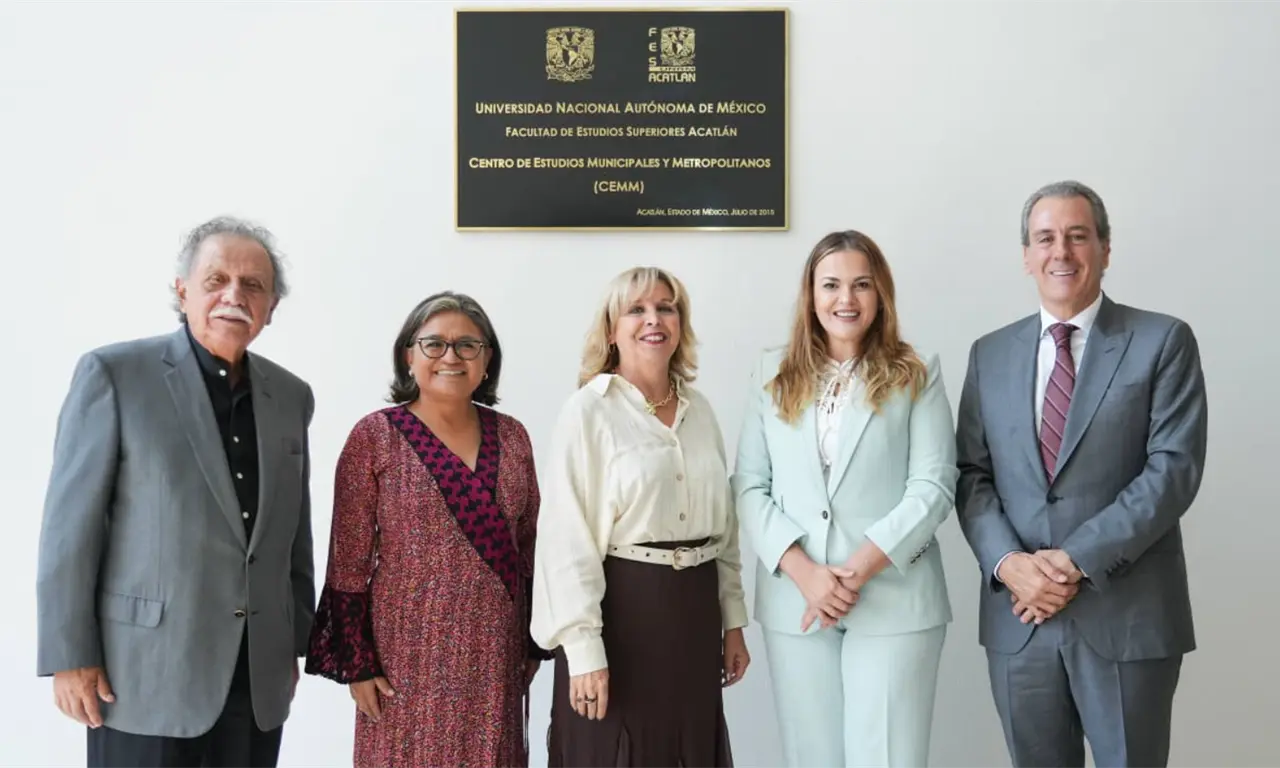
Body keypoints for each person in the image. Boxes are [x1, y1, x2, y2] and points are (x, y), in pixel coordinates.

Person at [35, 217, 316, 768]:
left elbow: (292, 532)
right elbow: (71, 530)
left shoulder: (291, 396)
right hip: (143, 674)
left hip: (254, 681)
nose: (235, 295)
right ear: (182, 289)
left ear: (272, 306)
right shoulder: (114, 375)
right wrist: (70, 655)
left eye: (253, 285)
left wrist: (291, 642)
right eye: (216, 279)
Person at [955, 180, 1208, 768]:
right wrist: (1009, 565)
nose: (1061, 252)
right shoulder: (988, 355)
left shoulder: (1162, 341)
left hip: (1125, 614)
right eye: (1045, 238)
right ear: (1026, 255)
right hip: (1019, 621)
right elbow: (971, 475)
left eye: (1077, 236)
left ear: (1105, 248)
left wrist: (1072, 562)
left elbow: (1173, 470)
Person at [731, 231, 958, 768]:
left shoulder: (917, 371)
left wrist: (855, 570)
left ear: (881, 295)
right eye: (831, 285)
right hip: (797, 601)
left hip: (895, 598)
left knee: (886, 757)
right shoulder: (771, 372)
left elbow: (933, 486)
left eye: (862, 285)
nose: (846, 300)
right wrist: (805, 571)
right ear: (810, 295)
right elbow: (748, 483)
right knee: (812, 757)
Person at [305, 291, 548, 768]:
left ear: (487, 360)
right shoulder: (374, 437)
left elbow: (530, 548)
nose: (450, 357)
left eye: (467, 345)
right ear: (408, 356)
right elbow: (348, 561)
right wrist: (358, 663)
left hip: (494, 653)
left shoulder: (514, 436)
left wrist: (533, 642)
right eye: (434, 344)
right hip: (404, 657)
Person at [531, 266, 750, 768]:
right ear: (612, 329)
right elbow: (565, 542)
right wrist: (584, 650)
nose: (653, 319)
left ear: (680, 323)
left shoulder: (702, 411)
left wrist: (733, 621)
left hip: (694, 616)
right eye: (637, 309)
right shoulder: (587, 412)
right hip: (620, 616)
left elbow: (726, 528)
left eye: (665, 307)